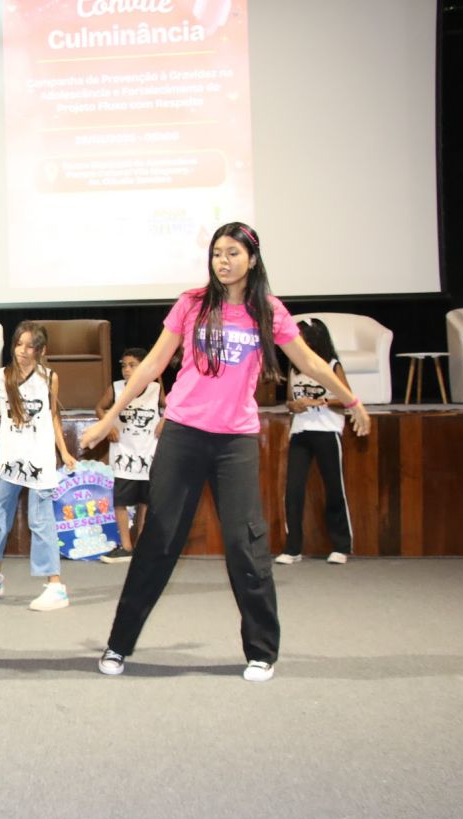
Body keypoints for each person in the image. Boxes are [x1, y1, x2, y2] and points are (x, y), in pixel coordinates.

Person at [79, 222, 371, 683]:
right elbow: (153, 364)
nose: (223, 261)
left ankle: (261, 651)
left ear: (252, 259)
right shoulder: (192, 303)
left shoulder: (267, 310)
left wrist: (352, 402)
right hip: (183, 435)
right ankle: (119, 644)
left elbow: (310, 362)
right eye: (217, 252)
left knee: (244, 543)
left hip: (235, 441)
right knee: (159, 540)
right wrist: (108, 416)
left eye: (233, 252)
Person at [0, 322, 77, 612]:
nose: (23, 351)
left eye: (30, 346)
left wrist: (64, 451)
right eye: (19, 344)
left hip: (39, 460)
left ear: (41, 350)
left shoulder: (49, 378)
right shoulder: (1, 377)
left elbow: (53, 416)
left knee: (40, 521)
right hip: (10, 460)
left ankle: (55, 587)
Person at [277, 318, 355, 566]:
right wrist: (295, 405)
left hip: (327, 430)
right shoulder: (294, 367)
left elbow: (347, 399)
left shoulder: (331, 365)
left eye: (303, 336)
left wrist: (318, 402)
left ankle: (341, 546)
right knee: (293, 490)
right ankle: (292, 548)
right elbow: (290, 401)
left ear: (314, 338)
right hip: (301, 431)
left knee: (334, 488)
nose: (298, 341)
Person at [94, 347, 167, 563]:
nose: (126, 369)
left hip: (147, 452)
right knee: (121, 501)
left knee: (145, 501)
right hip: (124, 453)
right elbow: (99, 408)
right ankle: (126, 546)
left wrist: (164, 420)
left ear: (144, 367)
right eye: (124, 365)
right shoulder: (116, 388)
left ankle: (141, 545)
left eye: (132, 365)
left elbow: (171, 407)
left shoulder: (155, 389)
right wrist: (107, 425)